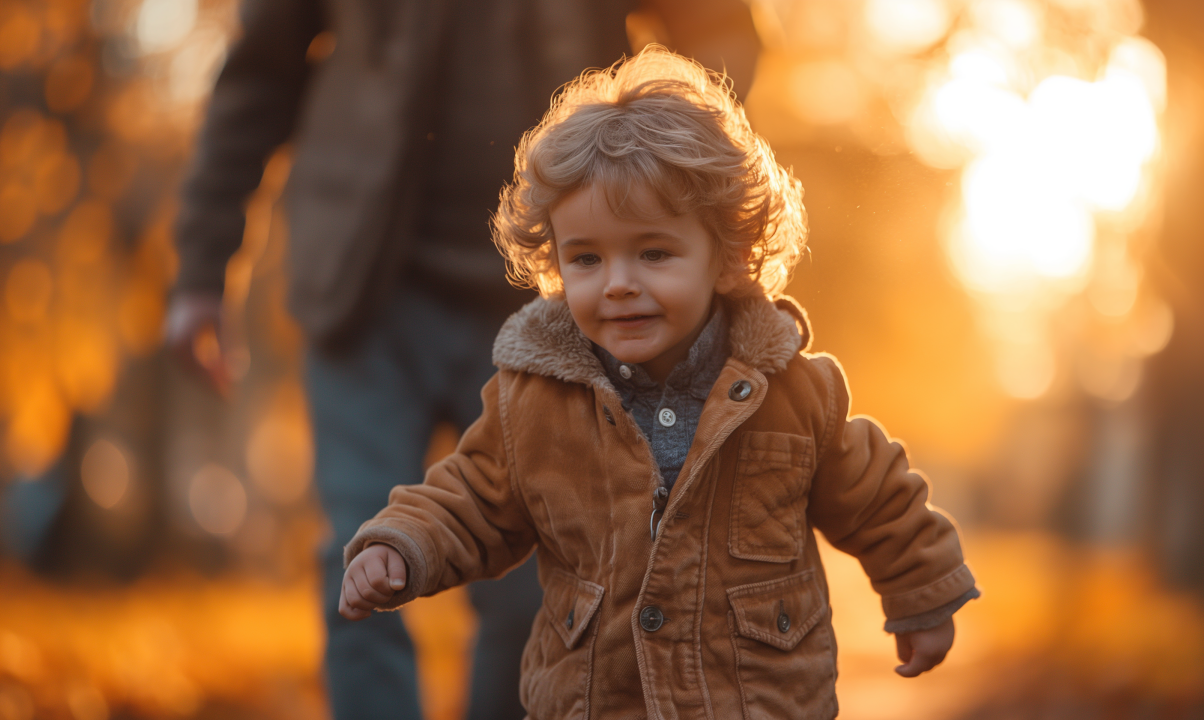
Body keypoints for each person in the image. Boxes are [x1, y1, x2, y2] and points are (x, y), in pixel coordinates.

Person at [338, 47, 980, 718]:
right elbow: (470, 498)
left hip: (755, 703)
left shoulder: (791, 392)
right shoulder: (533, 403)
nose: (618, 283)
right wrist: (400, 545)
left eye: (653, 252)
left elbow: (877, 497)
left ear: (728, 256)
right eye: (586, 258)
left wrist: (922, 593)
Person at [163, 0, 761, 718]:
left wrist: (669, 176)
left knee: (541, 583)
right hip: (362, 290)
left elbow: (722, 29)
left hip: (558, 304)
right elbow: (261, 71)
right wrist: (201, 267)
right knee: (362, 555)